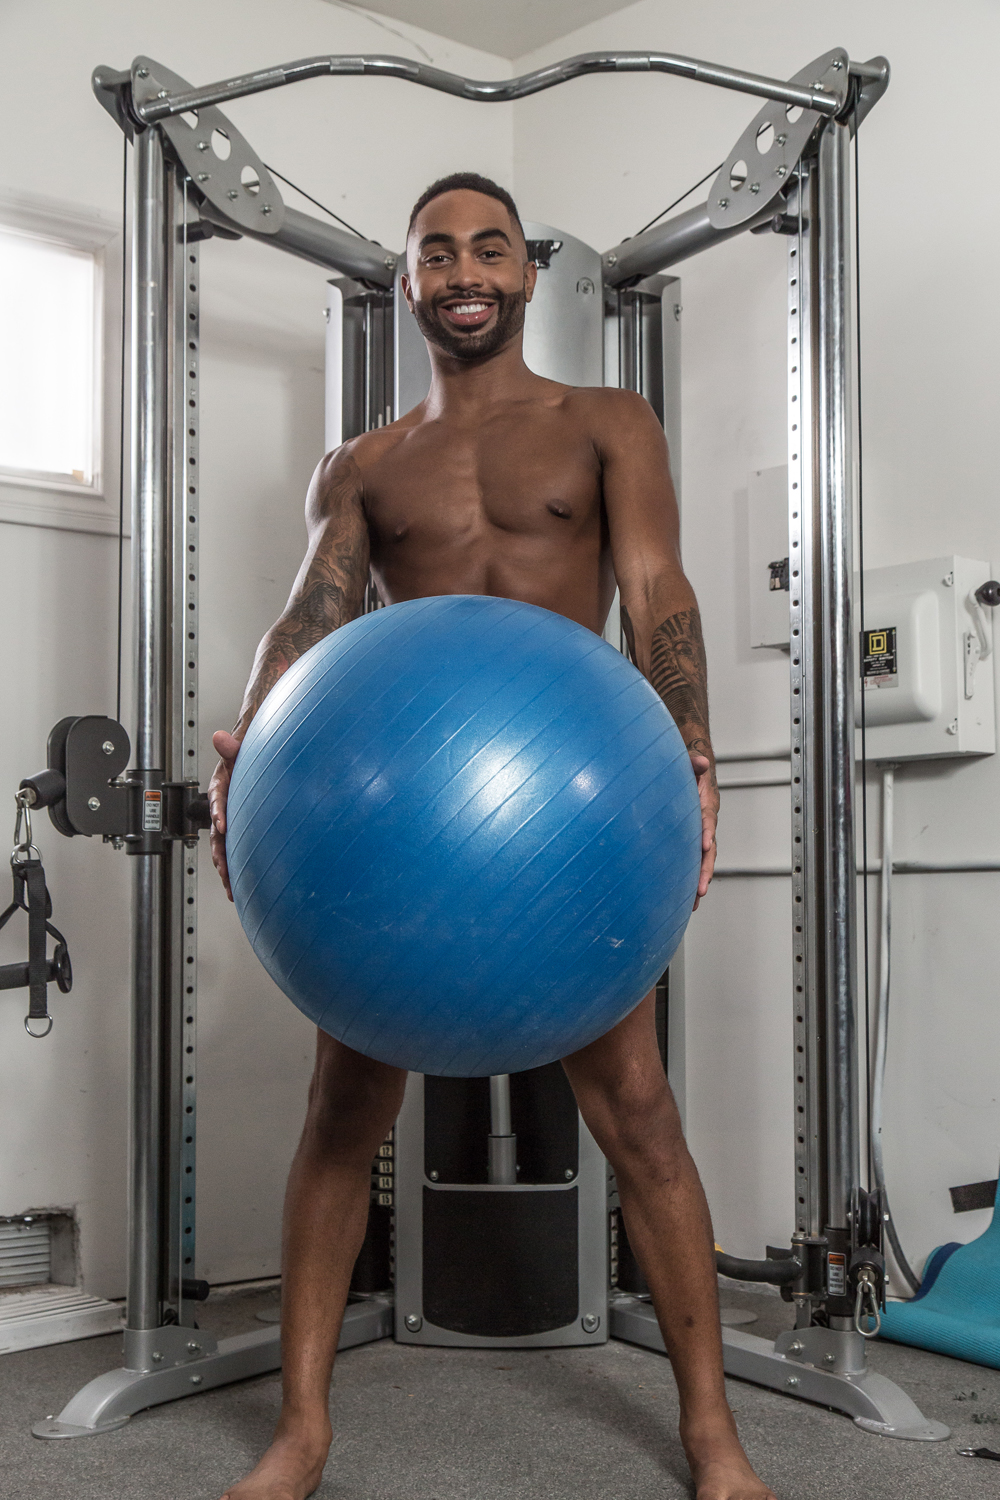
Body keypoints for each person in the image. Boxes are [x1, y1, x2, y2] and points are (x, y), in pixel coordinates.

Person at [209, 172, 774, 1500]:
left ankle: (714, 1436)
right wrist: (250, 744)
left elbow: (655, 586)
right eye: (437, 253)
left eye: (489, 249)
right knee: (342, 1111)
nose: (463, 272)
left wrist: (691, 748)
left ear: (526, 273)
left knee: (639, 1114)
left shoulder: (606, 422)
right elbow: (312, 618)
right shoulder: (361, 467)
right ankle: (301, 1432)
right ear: (407, 282)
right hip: (401, 838)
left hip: (567, 827)